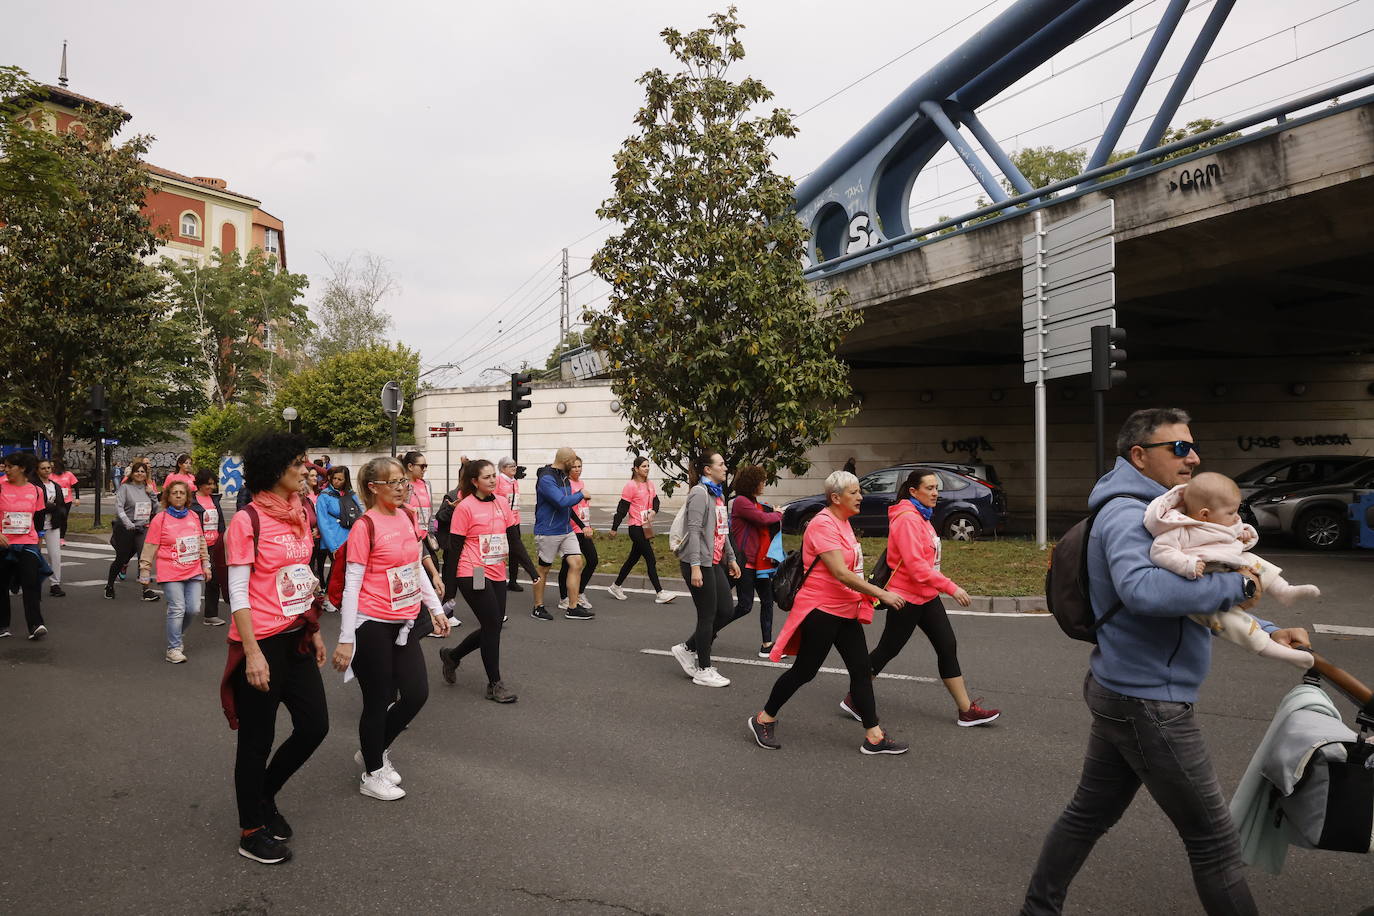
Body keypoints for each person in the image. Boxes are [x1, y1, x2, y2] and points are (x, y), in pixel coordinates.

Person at [1020, 408, 1311, 916]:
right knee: (1214, 842)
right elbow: (1143, 591)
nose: (1193, 456)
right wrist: (1240, 585)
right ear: (1140, 454)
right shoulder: (1127, 514)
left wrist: (1266, 630)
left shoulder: (1156, 509)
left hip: (1125, 689)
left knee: (1087, 815)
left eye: (1191, 446)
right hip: (1150, 699)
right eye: (1179, 447)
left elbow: (1191, 603)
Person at [220, 432, 328, 865]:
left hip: (296, 638)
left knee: (314, 726)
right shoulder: (248, 520)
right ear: (275, 470)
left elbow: (301, 575)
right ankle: (251, 830)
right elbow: (239, 592)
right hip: (261, 642)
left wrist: (314, 628)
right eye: (298, 463)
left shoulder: (301, 511)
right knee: (255, 742)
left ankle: (264, 794)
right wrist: (252, 652)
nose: (306, 470)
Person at [747, 471, 909, 754]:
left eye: (860, 492)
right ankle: (763, 719)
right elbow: (840, 573)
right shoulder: (822, 524)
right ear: (836, 498)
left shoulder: (843, 523)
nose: (861, 497)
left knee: (861, 670)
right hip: (821, 611)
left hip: (844, 609)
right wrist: (880, 593)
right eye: (854, 492)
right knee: (804, 672)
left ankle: (874, 736)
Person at [331, 457, 449, 801]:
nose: (401, 488)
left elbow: (414, 567)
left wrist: (435, 608)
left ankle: (374, 749)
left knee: (416, 693)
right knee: (379, 699)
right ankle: (372, 772)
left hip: (405, 620)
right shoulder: (364, 527)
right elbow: (352, 585)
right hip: (371, 623)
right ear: (373, 487)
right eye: (393, 482)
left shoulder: (407, 517)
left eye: (403, 482)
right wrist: (346, 638)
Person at [847, 468, 999, 727]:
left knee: (947, 646)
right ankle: (854, 698)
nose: (935, 493)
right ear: (913, 491)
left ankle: (966, 710)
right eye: (929, 488)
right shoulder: (907, 518)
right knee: (887, 650)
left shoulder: (922, 515)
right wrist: (952, 587)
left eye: (936, 488)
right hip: (905, 598)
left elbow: (927, 562)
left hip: (926, 595)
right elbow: (916, 566)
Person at [1143, 471, 1319, 670]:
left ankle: (1284, 590)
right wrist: (1186, 564)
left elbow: (1236, 531)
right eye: (1230, 513)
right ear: (1204, 514)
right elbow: (1161, 551)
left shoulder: (1221, 521)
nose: (1236, 517)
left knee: (1252, 559)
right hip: (1203, 582)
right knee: (1232, 623)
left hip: (1228, 565)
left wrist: (1244, 534)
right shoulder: (1181, 529)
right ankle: (1277, 651)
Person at [438, 459, 518, 703]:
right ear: (474, 481)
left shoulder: (502, 503)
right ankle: (494, 684)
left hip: (496, 570)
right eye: (487, 477)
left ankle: (453, 655)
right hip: (472, 571)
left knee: (491, 626)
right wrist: (450, 589)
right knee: (493, 624)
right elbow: (453, 549)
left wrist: (531, 570)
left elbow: (514, 539)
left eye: (494, 475)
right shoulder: (465, 507)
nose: (493, 480)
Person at [666, 453, 741, 688]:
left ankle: (687, 648)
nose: (725, 468)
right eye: (721, 464)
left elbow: (722, 530)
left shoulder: (717, 494)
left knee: (726, 610)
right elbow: (695, 530)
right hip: (697, 563)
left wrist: (731, 558)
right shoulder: (699, 493)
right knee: (707, 615)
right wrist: (696, 567)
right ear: (708, 470)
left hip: (714, 560)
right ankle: (703, 669)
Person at [139, 480, 211, 663]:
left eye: (182, 493)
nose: (178, 495)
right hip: (170, 570)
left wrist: (206, 564)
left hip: (193, 568)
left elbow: (201, 541)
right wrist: (145, 570)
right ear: (168, 497)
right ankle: (173, 648)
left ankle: (176, 633)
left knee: (193, 608)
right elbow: (150, 546)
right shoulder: (160, 519)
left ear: (187, 497)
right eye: (174, 493)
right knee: (178, 608)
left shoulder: (194, 516)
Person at [530, 447, 592, 621]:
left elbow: (567, 503)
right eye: (572, 463)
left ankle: (572, 607)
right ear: (566, 462)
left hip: (566, 529)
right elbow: (561, 501)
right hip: (548, 531)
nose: (575, 467)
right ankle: (538, 607)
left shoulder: (563, 476)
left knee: (577, 562)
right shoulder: (547, 478)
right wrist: (580, 494)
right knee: (544, 568)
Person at [728, 464, 782, 658]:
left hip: (759, 564)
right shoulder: (741, 501)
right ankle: (710, 628)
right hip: (744, 563)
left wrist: (772, 514)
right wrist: (777, 514)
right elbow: (761, 519)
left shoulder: (752, 501)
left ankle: (767, 644)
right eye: (762, 481)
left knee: (768, 601)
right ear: (752, 482)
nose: (764, 484)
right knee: (745, 606)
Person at [607, 457, 674, 604]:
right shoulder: (630, 486)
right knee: (650, 558)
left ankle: (616, 586)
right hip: (635, 528)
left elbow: (656, 501)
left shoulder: (649, 484)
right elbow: (622, 509)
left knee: (633, 559)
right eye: (644, 466)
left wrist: (654, 512)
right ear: (636, 469)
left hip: (646, 527)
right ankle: (660, 593)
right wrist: (614, 528)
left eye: (648, 466)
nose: (647, 468)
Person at [0, 451, 50, 640]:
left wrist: (39, 538)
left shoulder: (35, 490)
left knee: (31, 583)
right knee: (2, 585)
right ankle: (2, 625)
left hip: (27, 543)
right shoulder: (1, 486)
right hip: (3, 544)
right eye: (4, 466)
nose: (6, 470)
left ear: (22, 468)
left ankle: (36, 624)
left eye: (10, 466)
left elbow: (39, 518)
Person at [106, 461, 159, 601]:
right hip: (126, 528)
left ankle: (146, 590)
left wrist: (152, 494)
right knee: (121, 559)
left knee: (144, 559)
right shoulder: (125, 488)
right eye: (137, 471)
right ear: (132, 473)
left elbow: (155, 508)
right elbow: (119, 507)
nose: (140, 474)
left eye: (143, 471)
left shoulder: (148, 488)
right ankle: (109, 585)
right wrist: (127, 522)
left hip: (142, 528)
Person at [557, 457, 597, 611]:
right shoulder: (566, 484)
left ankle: (579, 592)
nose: (577, 469)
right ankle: (563, 597)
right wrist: (581, 525)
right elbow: (569, 509)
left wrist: (587, 525)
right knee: (568, 565)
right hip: (571, 530)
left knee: (592, 560)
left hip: (583, 529)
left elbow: (583, 507)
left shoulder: (581, 483)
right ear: (568, 469)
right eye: (574, 467)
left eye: (580, 466)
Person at [495, 458, 539, 593]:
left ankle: (513, 581)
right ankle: (533, 575)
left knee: (515, 552)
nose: (514, 468)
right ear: (502, 468)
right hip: (503, 522)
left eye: (515, 466)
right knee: (509, 549)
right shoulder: (498, 481)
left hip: (515, 520)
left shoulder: (514, 482)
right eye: (510, 466)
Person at [192, 469, 228, 627]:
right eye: (209, 484)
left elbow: (220, 522)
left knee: (213, 578)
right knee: (188, 577)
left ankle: (211, 614)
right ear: (200, 484)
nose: (212, 487)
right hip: (196, 545)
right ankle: (178, 605)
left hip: (214, 545)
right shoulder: (191, 500)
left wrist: (223, 538)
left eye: (213, 484)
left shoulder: (214, 500)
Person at [316, 466, 362, 584]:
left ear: (346, 480)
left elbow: (360, 514)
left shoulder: (351, 495)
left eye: (340, 479)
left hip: (351, 538)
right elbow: (323, 523)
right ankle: (328, 596)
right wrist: (333, 547)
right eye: (334, 478)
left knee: (349, 571)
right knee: (337, 571)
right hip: (334, 539)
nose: (336, 481)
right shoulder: (324, 496)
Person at [36, 458, 67, 597]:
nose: (47, 470)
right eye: (43, 468)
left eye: (48, 468)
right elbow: (36, 505)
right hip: (36, 525)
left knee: (55, 555)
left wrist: (56, 510)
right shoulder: (33, 485)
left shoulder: (56, 486)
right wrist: (48, 506)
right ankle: (28, 583)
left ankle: (55, 584)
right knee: (33, 556)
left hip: (52, 524)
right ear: (37, 470)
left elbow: (61, 505)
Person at [50, 458, 79, 546]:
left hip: (67, 500)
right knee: (55, 518)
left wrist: (77, 498)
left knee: (64, 518)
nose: (51, 468)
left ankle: (61, 537)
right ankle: (54, 536)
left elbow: (76, 486)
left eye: (52, 466)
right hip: (55, 500)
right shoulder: (50, 475)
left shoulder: (68, 474)